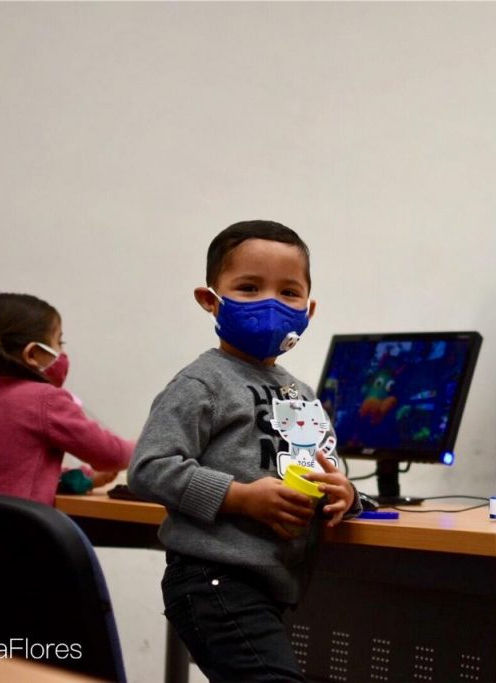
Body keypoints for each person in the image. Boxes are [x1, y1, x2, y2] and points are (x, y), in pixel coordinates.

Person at [128, 220, 361, 683]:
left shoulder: (301, 392)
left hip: (274, 584)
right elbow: (150, 468)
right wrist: (241, 497)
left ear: (309, 309)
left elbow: (329, 463)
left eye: (289, 292)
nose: (271, 304)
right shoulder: (202, 383)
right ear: (210, 300)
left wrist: (346, 492)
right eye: (249, 288)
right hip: (213, 580)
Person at [0, 293, 132, 505]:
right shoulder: (45, 400)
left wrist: (85, 479)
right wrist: (147, 446)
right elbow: (110, 455)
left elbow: (16, 475)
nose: (63, 352)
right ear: (33, 354)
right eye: (59, 342)